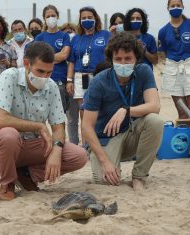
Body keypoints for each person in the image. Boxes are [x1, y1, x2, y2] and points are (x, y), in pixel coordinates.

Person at [0, 42, 88, 201]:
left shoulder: (51, 87)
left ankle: (25, 175)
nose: (44, 77)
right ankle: (7, 183)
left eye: (49, 72)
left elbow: (58, 126)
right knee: (9, 135)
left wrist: (57, 150)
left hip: (32, 145)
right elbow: (0, 120)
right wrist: (38, 126)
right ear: (26, 64)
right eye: (40, 71)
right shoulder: (9, 76)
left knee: (79, 156)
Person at [82, 32, 164, 191]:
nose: (123, 63)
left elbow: (155, 106)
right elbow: (86, 126)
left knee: (156, 121)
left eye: (128, 59)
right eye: (118, 59)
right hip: (105, 139)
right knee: (106, 181)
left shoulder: (144, 71)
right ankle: (108, 162)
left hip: (131, 132)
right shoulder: (99, 82)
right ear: (111, 59)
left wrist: (126, 111)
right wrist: (105, 162)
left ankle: (139, 176)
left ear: (136, 58)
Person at [66, 6, 111, 145]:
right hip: (80, 77)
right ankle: (86, 143)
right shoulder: (76, 39)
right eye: (83, 18)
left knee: (101, 108)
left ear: (95, 18)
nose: (87, 20)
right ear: (80, 20)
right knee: (83, 110)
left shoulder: (105, 35)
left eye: (89, 17)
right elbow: (72, 61)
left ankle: (101, 140)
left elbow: (111, 56)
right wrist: (69, 80)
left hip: (100, 76)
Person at [158, 0, 190, 119]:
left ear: (183, 7)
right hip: (173, 70)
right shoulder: (163, 31)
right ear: (168, 8)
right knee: (182, 112)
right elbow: (165, 52)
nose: (175, 8)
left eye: (178, 5)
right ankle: (183, 138)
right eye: (173, 6)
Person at [35, 5, 71, 112]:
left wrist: (45, 57)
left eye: (53, 15)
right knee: (41, 114)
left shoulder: (64, 36)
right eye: (48, 16)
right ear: (44, 19)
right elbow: (37, 59)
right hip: (42, 80)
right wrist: (56, 57)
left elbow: (64, 55)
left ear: (57, 16)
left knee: (60, 114)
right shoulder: (40, 37)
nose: (51, 18)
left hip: (60, 79)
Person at [60, 23, 80, 145]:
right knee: (68, 117)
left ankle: (78, 143)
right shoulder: (61, 48)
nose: (69, 33)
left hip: (76, 83)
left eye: (72, 30)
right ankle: (69, 143)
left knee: (77, 117)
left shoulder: (78, 47)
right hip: (62, 84)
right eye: (66, 31)